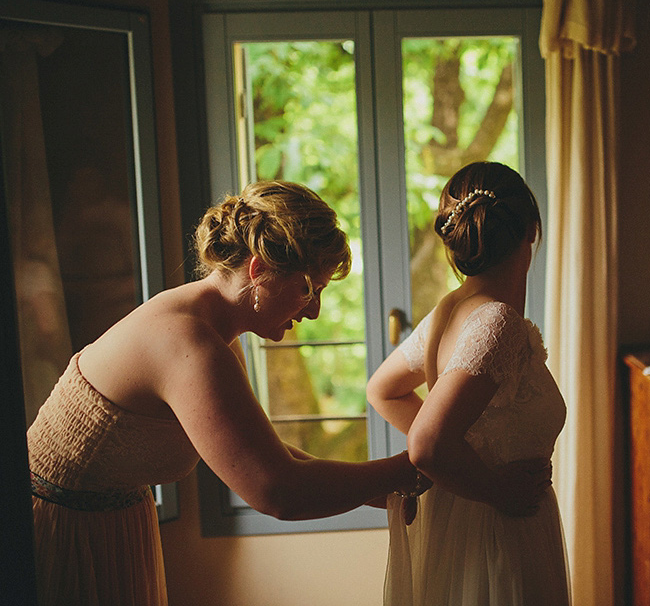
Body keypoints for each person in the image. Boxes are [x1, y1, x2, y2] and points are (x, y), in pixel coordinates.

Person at [27, 180, 420, 606]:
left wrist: (383, 491)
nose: (314, 310)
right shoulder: (188, 344)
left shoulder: (216, 332)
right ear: (258, 269)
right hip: (66, 536)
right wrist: (408, 468)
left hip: (113, 531)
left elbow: (261, 451)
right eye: (308, 288)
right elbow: (277, 489)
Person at [367, 161, 570, 605]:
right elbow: (426, 445)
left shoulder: (452, 308)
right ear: (531, 230)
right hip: (497, 530)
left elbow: (382, 389)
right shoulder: (497, 322)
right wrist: (496, 487)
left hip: (466, 517)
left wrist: (468, 455)